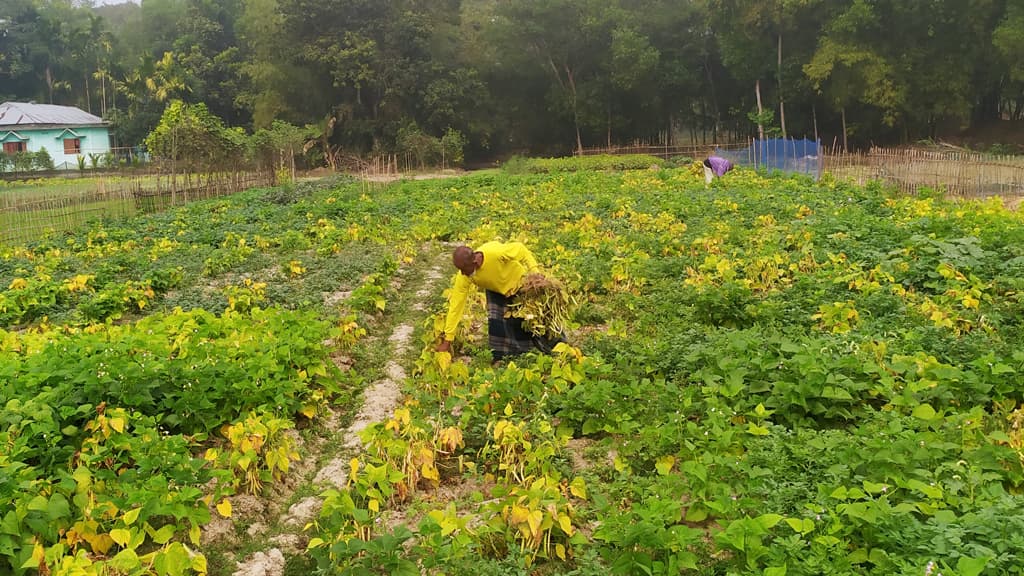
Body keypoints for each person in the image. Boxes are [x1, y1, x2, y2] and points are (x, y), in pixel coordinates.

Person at [437, 241, 563, 363]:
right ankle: (502, 357)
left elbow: (521, 249)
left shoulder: (495, 253)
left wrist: (536, 273)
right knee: (497, 324)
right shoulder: (464, 276)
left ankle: (560, 348)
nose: (462, 273)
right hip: (497, 291)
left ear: (474, 261)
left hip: (520, 284)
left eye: (464, 269)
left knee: (536, 319)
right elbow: (456, 306)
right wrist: (448, 339)